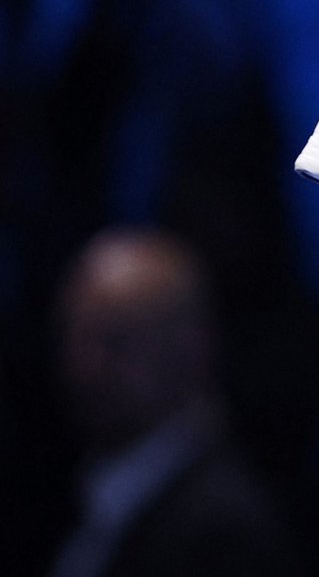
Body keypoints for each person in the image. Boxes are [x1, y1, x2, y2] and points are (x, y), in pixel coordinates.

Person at [49, 228, 299, 577]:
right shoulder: (74, 493)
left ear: (191, 349)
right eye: (76, 338)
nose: (86, 367)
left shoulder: (225, 531)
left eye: (116, 342)